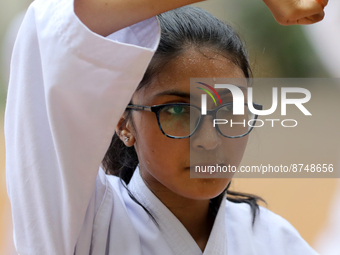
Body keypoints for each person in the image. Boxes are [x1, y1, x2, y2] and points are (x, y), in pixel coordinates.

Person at [5, 0, 327, 254]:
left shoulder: (273, 241)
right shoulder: (84, 227)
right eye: (177, 109)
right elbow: (57, 28)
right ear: (122, 121)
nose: (209, 140)